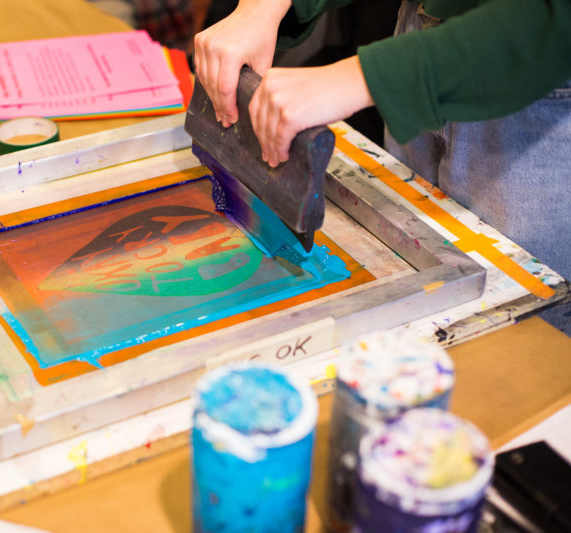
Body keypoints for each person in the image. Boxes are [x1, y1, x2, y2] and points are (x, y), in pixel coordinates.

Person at [193, 0, 571, 334]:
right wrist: (264, 6)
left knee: (520, 341)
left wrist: (363, 78)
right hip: (418, 34)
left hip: (535, 79)